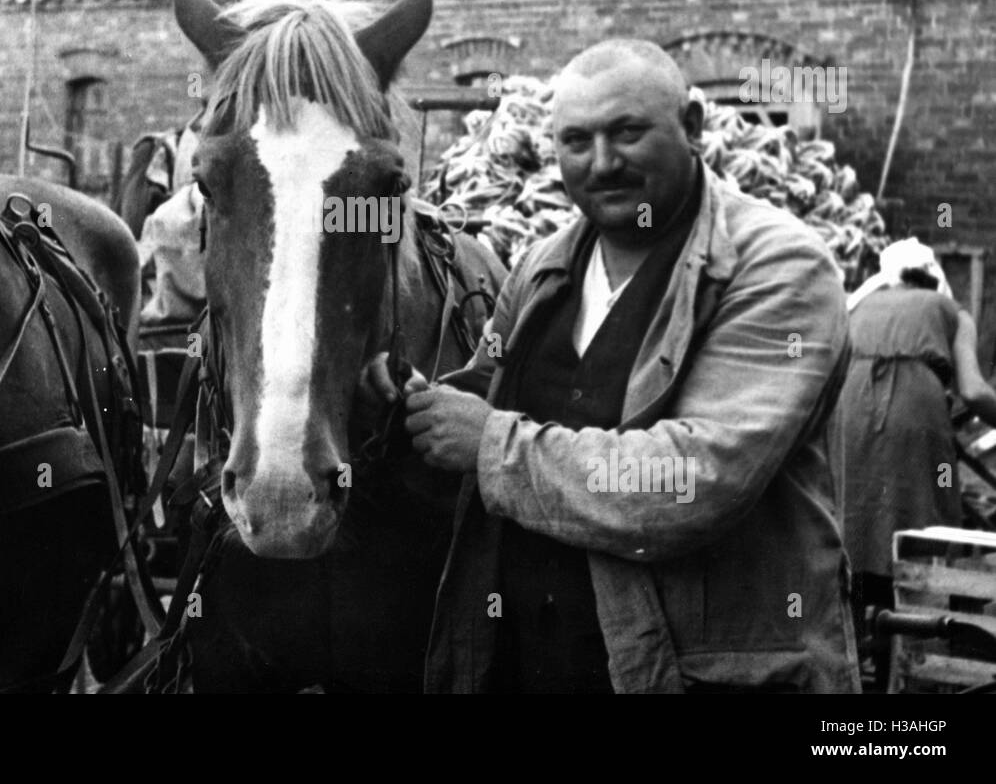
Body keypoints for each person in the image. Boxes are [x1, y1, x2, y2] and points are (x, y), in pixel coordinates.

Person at [362, 39, 860, 692]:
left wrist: (489, 443)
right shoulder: (541, 270)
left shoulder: (777, 267)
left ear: (693, 126)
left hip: (689, 674)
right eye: (576, 141)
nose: (602, 163)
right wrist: (411, 405)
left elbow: (692, 479)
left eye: (627, 132)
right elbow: (483, 397)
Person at [830, 238, 996, 684]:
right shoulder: (951, 312)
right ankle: (903, 650)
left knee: (856, 521)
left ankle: (857, 651)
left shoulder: (862, 303)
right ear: (935, 281)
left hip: (846, 406)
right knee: (915, 520)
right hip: (913, 411)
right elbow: (975, 391)